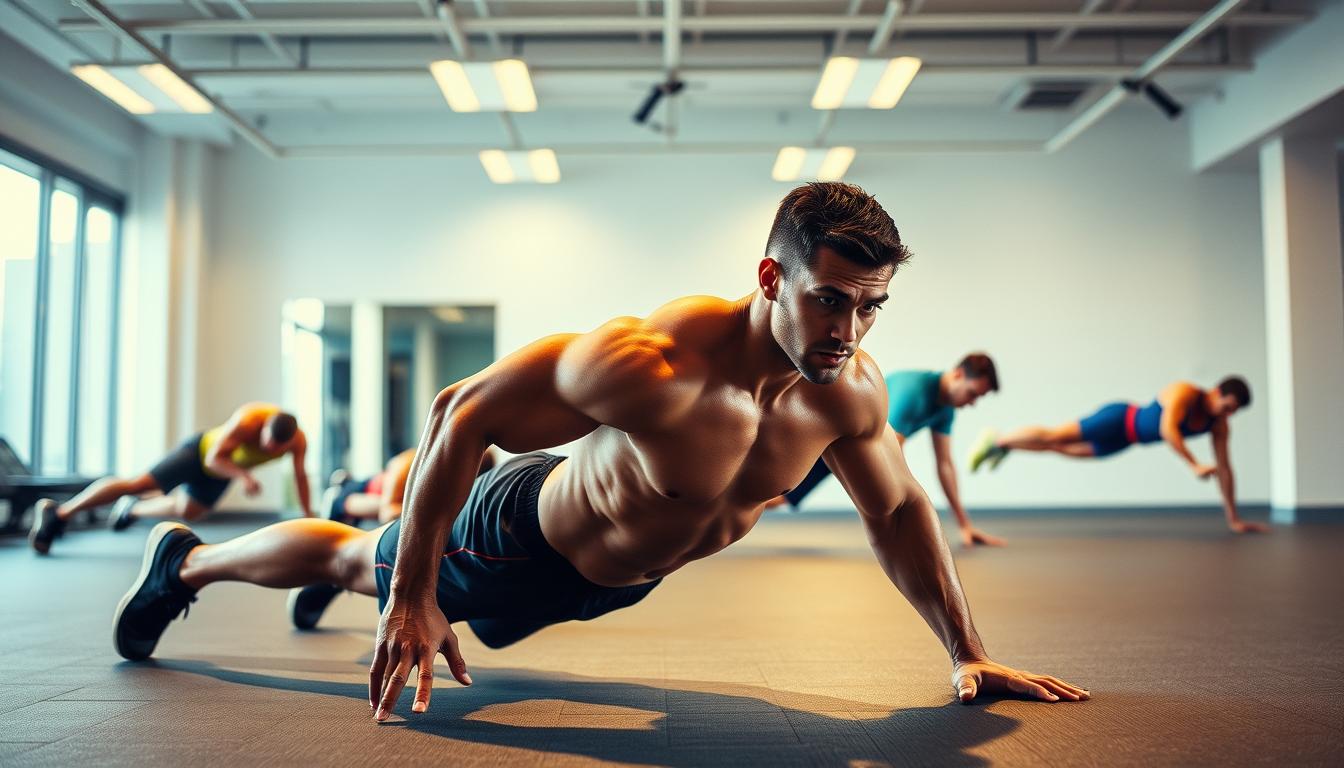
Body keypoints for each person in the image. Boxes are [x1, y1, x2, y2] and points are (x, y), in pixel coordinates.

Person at [111, 182, 1088, 722]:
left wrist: (970, 650)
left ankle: (388, 555)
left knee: (421, 586)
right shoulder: (652, 363)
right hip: (518, 537)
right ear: (769, 278)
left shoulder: (850, 395)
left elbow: (900, 511)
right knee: (347, 557)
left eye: (871, 308)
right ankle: (184, 564)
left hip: (609, 580)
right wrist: (413, 593)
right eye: (828, 298)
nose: (849, 329)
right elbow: (462, 413)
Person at [967, 377, 1267, 534]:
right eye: (1226, 406)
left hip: (1125, 440)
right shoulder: (1185, 393)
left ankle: (1004, 447)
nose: (1227, 414)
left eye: (1232, 412)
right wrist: (1194, 464)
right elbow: (1167, 429)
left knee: (1057, 450)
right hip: (1118, 418)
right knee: (1056, 435)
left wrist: (1234, 519)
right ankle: (998, 437)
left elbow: (1225, 469)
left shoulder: (1218, 425)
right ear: (1216, 392)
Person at [771, 355, 1005, 547]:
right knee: (779, 493)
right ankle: (735, 508)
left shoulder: (945, 410)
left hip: (853, 442)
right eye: (973, 393)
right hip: (832, 433)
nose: (972, 403)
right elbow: (890, 453)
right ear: (958, 375)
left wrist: (964, 524)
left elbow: (944, 465)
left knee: (783, 497)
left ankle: (736, 506)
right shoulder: (916, 393)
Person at [29, 403, 312, 554]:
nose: (269, 451)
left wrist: (309, 514)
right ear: (263, 429)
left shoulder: (298, 441)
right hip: (199, 454)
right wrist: (245, 477)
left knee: (190, 512)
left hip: (222, 473)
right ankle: (60, 512)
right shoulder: (248, 419)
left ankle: (133, 509)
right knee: (139, 484)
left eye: (276, 450)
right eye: (266, 444)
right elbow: (214, 457)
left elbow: (300, 477)